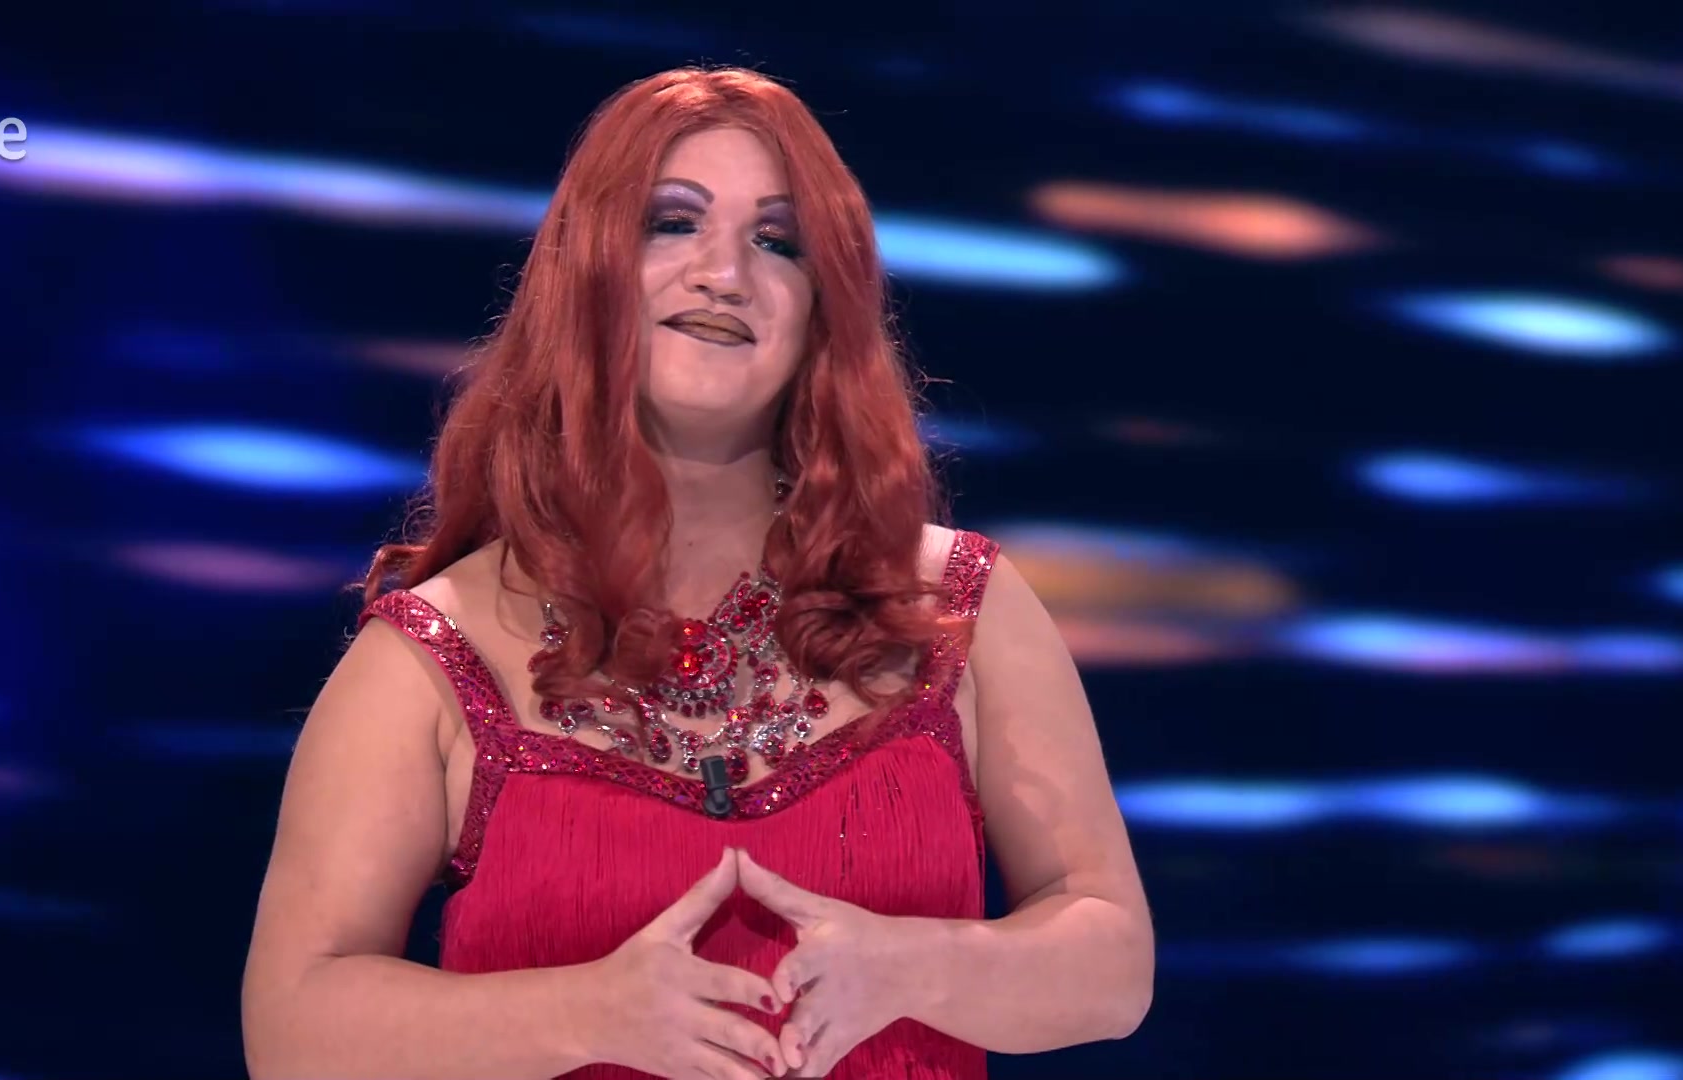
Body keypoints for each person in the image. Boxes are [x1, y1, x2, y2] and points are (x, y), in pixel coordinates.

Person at [240, 66, 1153, 1080]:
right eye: (672, 224)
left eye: (778, 242)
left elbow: (1112, 965)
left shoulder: (956, 609)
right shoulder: (435, 652)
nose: (726, 274)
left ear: (824, 308)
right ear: (589, 267)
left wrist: (914, 969)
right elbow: (294, 1029)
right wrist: (586, 1013)